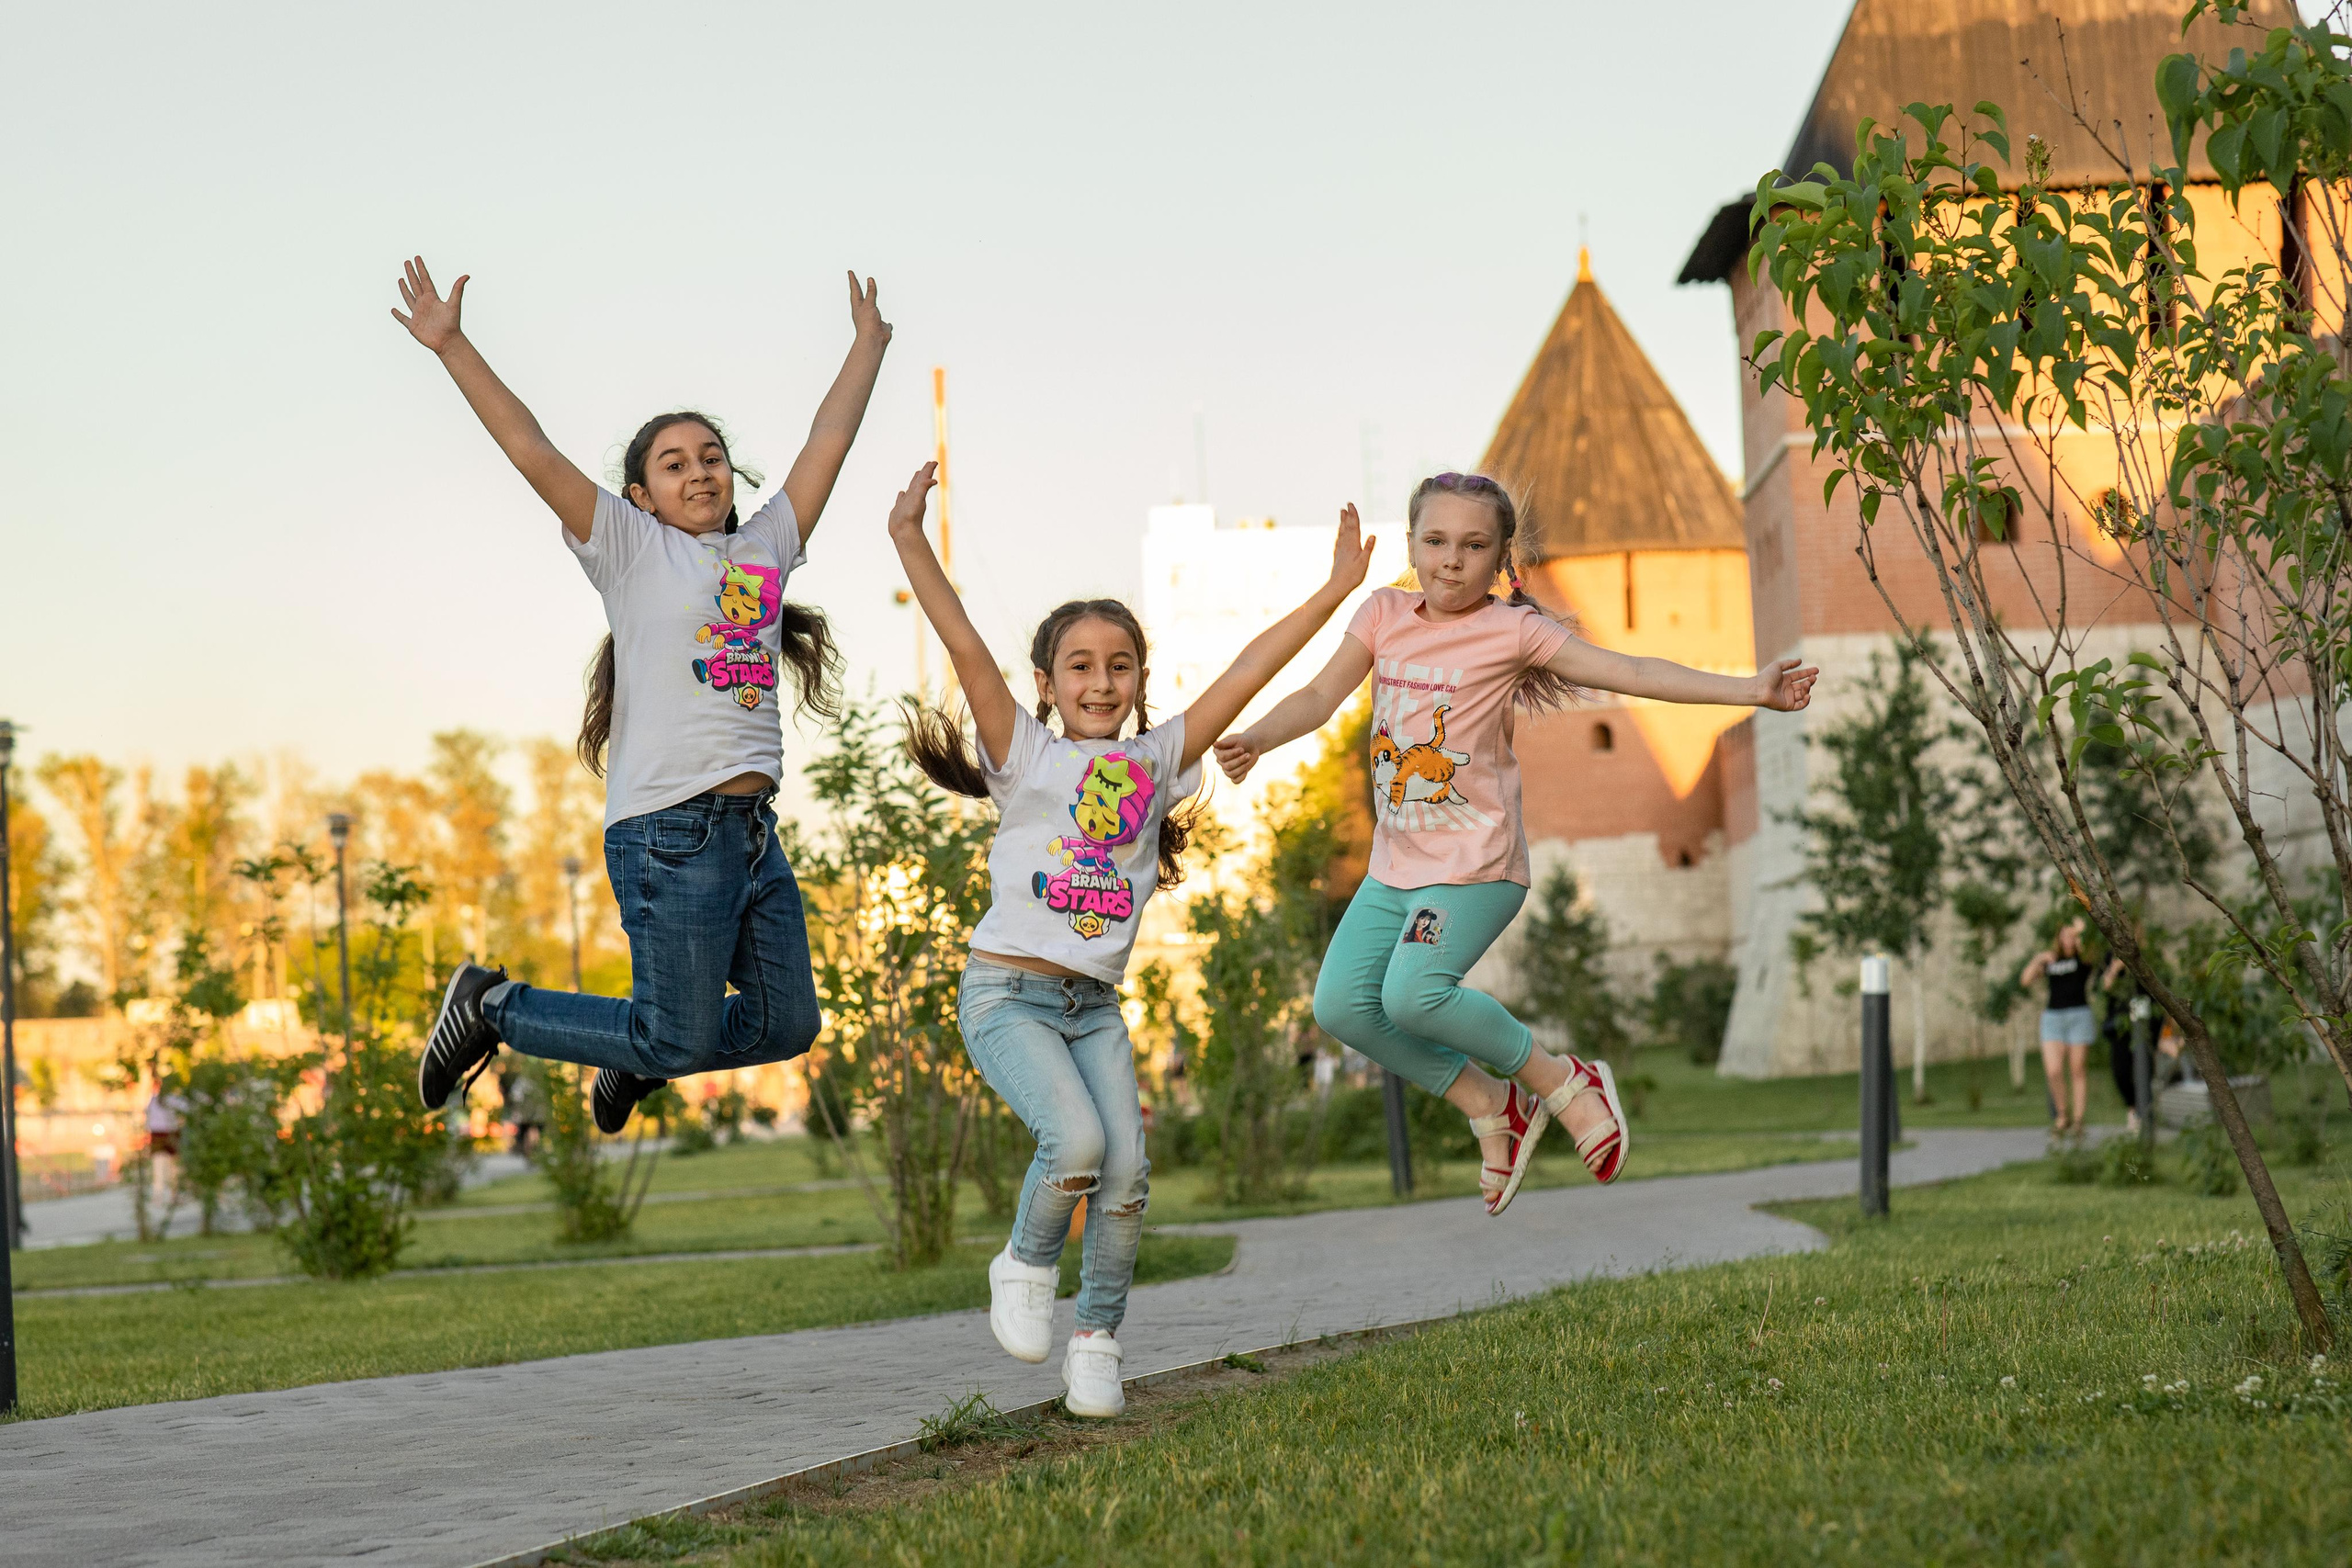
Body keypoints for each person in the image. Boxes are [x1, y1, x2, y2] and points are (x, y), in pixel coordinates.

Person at [892, 461, 1373, 1419]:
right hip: (1008, 997)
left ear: (1141, 681)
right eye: (1080, 666)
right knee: (1072, 1140)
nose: (1101, 681)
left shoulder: (1160, 762)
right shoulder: (1023, 754)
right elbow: (965, 648)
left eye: (1120, 666)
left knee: (1126, 1174)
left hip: (1092, 1007)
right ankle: (1024, 1265)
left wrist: (1334, 589)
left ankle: (1097, 1343)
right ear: (1048, 683)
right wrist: (910, 538)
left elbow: (1247, 669)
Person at [1216, 471, 1818, 1215]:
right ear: (1411, 545)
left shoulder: (1513, 630)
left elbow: (1631, 671)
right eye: (1434, 541)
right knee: (1342, 1006)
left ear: (1502, 558)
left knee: (1411, 992)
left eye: (1473, 546)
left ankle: (1566, 1083)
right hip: (1395, 870)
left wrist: (1749, 690)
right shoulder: (1382, 614)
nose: (1450, 560)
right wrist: (1256, 739)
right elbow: (1316, 695)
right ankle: (1491, 1105)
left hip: (1475, 866)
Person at [390, 256, 889, 1133]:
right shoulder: (629, 549)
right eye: (673, 464)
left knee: (787, 1021)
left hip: (748, 832)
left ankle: (643, 1050)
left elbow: (828, 444)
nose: (700, 472)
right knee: (674, 1035)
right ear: (639, 497)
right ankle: (493, 1007)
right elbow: (530, 448)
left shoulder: (767, 545)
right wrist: (452, 346)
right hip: (671, 830)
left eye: (713, 457)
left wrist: (868, 348)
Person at [2022, 919, 2098, 1137]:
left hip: (2079, 1015)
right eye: (2064, 935)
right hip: (2053, 1018)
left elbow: (2091, 955)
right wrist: (2039, 959)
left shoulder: (2082, 959)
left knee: (2077, 1069)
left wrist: (2081, 931)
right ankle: (2062, 1115)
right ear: (2058, 938)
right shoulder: (2051, 960)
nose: (2068, 940)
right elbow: (2025, 980)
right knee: (2053, 1070)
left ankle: (2078, 1121)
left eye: (2072, 936)